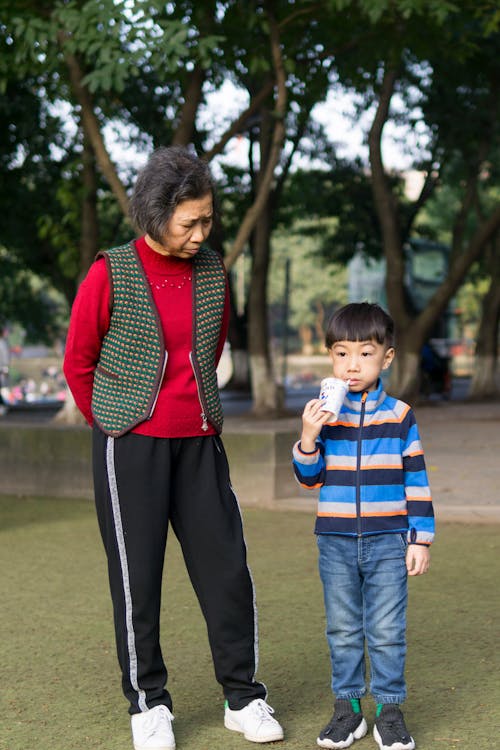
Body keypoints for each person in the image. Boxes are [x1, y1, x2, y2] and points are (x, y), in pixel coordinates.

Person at [63, 146, 284, 750]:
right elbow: (79, 361)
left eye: (207, 218)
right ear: (154, 216)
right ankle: (148, 705)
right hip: (129, 444)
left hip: (200, 442)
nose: (201, 232)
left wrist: (194, 407)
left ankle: (243, 697)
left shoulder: (213, 270)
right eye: (189, 221)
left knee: (228, 572)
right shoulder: (109, 271)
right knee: (138, 580)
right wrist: (111, 422)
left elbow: (207, 353)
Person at [292, 302, 434, 750]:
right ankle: (348, 710)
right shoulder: (324, 415)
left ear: (386, 358)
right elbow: (308, 478)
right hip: (333, 540)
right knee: (343, 628)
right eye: (341, 353)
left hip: (389, 539)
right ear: (330, 357)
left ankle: (389, 710)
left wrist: (420, 538)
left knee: (388, 630)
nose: (352, 365)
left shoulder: (400, 416)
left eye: (365, 354)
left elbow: (416, 478)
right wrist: (309, 436)